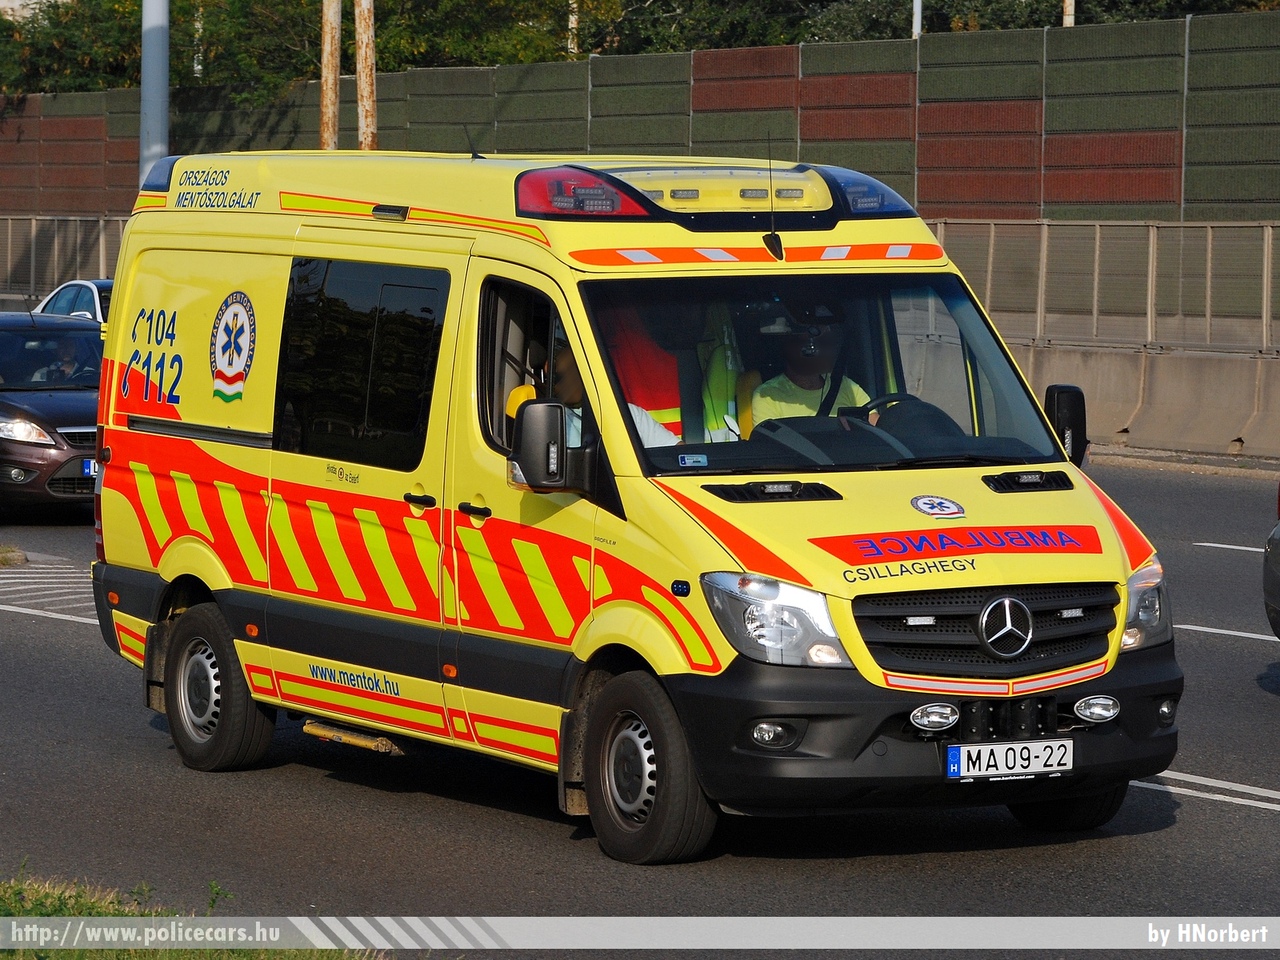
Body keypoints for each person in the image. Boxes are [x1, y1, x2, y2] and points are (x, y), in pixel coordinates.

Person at [551, 343, 678, 448]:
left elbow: (676, 453)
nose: (565, 382)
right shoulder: (549, 420)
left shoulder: (628, 414)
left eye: (572, 371)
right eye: (556, 377)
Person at [751, 321, 870, 426]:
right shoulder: (768, 396)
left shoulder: (846, 386)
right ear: (790, 348)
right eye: (819, 343)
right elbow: (770, 446)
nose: (829, 350)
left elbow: (879, 428)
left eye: (830, 342)